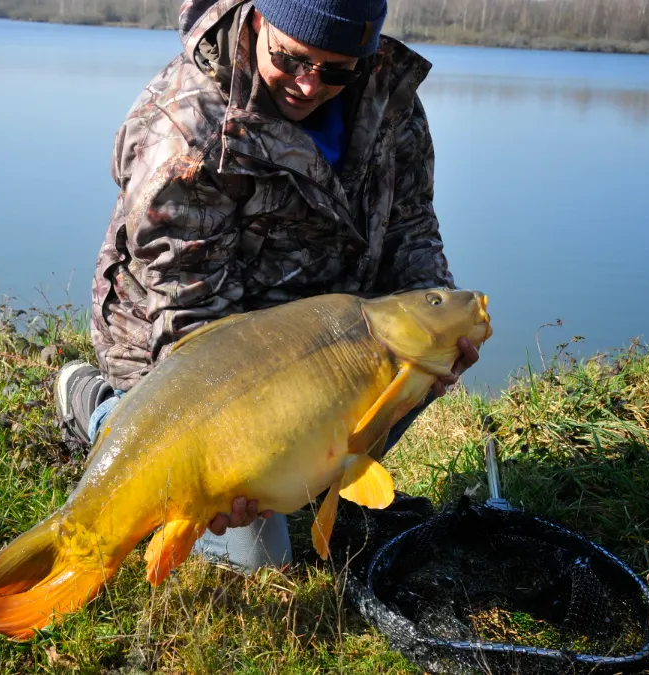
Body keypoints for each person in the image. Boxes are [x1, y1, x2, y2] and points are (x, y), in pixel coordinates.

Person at [55, 0, 479, 573]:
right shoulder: (182, 131)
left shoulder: (388, 98)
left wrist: (437, 316)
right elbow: (192, 327)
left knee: (417, 358)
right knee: (261, 560)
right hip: (184, 357)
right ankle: (105, 412)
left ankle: (308, 479)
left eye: (336, 70)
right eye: (293, 59)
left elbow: (411, 228)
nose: (310, 85)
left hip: (326, 342)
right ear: (257, 19)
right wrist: (233, 457)